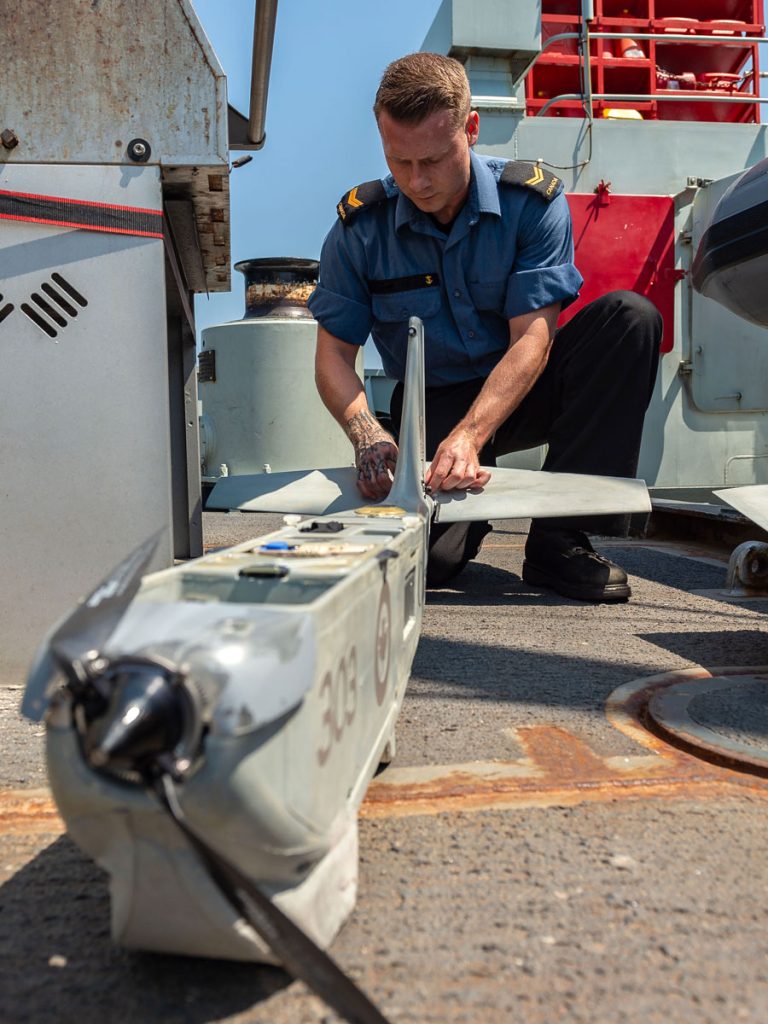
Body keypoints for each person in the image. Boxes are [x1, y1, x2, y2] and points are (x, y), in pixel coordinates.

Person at [308, 52, 661, 602]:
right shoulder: (360, 229)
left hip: (522, 385)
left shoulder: (533, 203)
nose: (417, 182)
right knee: (434, 567)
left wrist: (472, 437)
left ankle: (560, 541)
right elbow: (333, 356)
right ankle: (457, 528)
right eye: (399, 162)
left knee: (628, 320)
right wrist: (369, 437)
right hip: (434, 403)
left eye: (433, 160)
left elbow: (533, 339)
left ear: (470, 129)